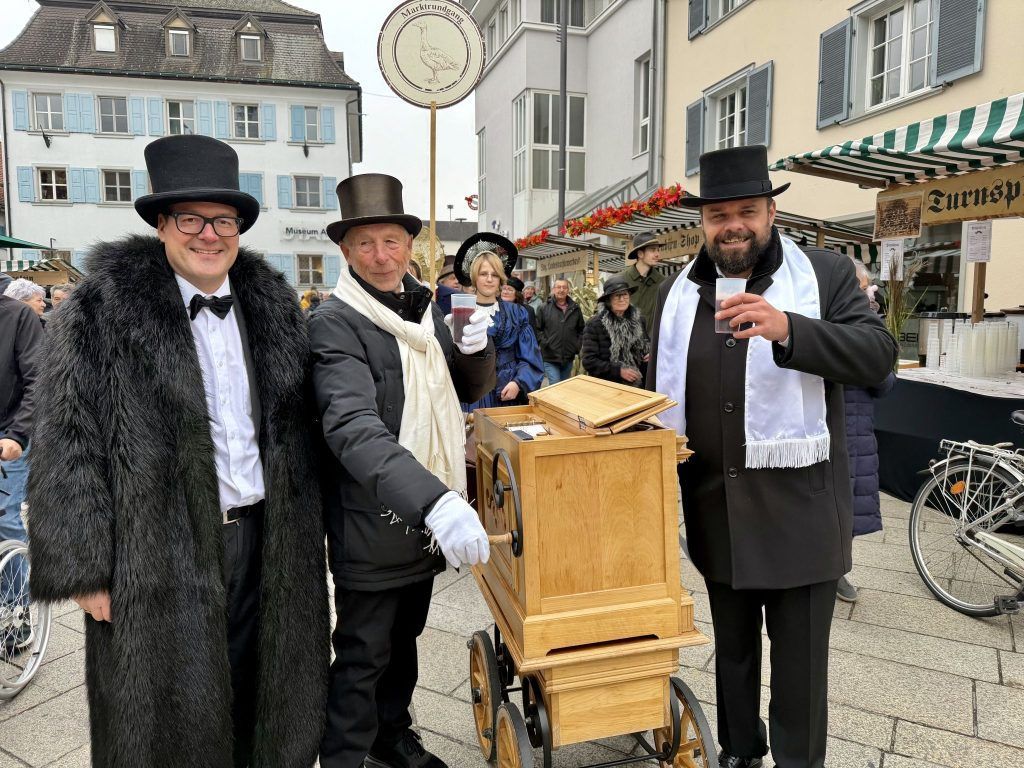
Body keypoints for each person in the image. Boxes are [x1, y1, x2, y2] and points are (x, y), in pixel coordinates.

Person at [26, 135, 329, 767]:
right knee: (164, 727)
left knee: (262, 705)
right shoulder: (100, 309)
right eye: (190, 219)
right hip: (153, 551)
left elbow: (309, 424)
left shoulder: (273, 306)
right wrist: (85, 568)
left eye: (223, 220)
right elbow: (66, 441)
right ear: (162, 225)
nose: (208, 235)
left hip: (266, 541)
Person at [647, 145, 898, 768]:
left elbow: (878, 358)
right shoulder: (678, 294)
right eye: (719, 213)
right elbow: (660, 392)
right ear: (701, 222)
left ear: (770, 212)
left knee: (800, 668)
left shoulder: (825, 275)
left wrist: (789, 329)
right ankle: (739, 751)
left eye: (747, 210)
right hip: (715, 508)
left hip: (802, 513)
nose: (733, 224)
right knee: (732, 652)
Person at [310, 173, 496, 768]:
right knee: (364, 652)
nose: (381, 256)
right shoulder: (335, 323)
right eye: (365, 245)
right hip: (374, 514)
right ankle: (345, 753)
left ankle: (392, 735)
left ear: (409, 244)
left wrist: (473, 349)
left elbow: (464, 390)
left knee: (407, 637)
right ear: (345, 252)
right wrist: (436, 500)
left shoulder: (422, 310)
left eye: (391, 241)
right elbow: (351, 427)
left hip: (423, 514)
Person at [838, 257, 896, 603]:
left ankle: (838, 569)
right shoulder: (821, 318)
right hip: (831, 423)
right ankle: (828, 569)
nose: (867, 293)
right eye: (862, 287)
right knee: (834, 501)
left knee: (851, 503)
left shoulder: (870, 325)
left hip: (857, 425)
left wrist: (866, 360)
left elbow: (884, 382)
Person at [0, 289, 43, 652]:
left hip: (8, 434)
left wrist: (17, 434)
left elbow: (37, 379)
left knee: (3, 518)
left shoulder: (18, 315)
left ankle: (18, 610)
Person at [455, 233, 543, 410]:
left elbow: (530, 358)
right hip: (471, 399)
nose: (489, 279)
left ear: (501, 278)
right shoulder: (461, 313)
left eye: (494, 275)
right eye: (483, 274)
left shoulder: (517, 314)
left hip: (507, 397)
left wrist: (519, 383)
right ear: (474, 277)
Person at [581, 275, 650, 387]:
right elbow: (589, 361)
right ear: (608, 300)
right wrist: (618, 371)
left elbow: (647, 344)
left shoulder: (639, 320)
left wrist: (651, 353)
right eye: (617, 296)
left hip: (640, 384)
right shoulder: (595, 324)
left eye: (625, 295)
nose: (622, 299)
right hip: (608, 387)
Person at [535, 277, 584, 384]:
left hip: (568, 356)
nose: (561, 290)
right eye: (558, 287)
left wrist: (577, 345)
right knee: (555, 383)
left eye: (564, 287)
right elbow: (537, 329)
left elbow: (581, 329)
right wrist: (545, 343)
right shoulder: (544, 308)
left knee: (563, 385)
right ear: (553, 289)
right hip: (550, 356)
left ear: (568, 290)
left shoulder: (575, 308)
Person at [621, 231, 665, 337]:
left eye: (658, 250)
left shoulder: (663, 283)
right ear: (640, 254)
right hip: (625, 347)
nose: (657, 254)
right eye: (652, 250)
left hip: (651, 349)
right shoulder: (620, 280)